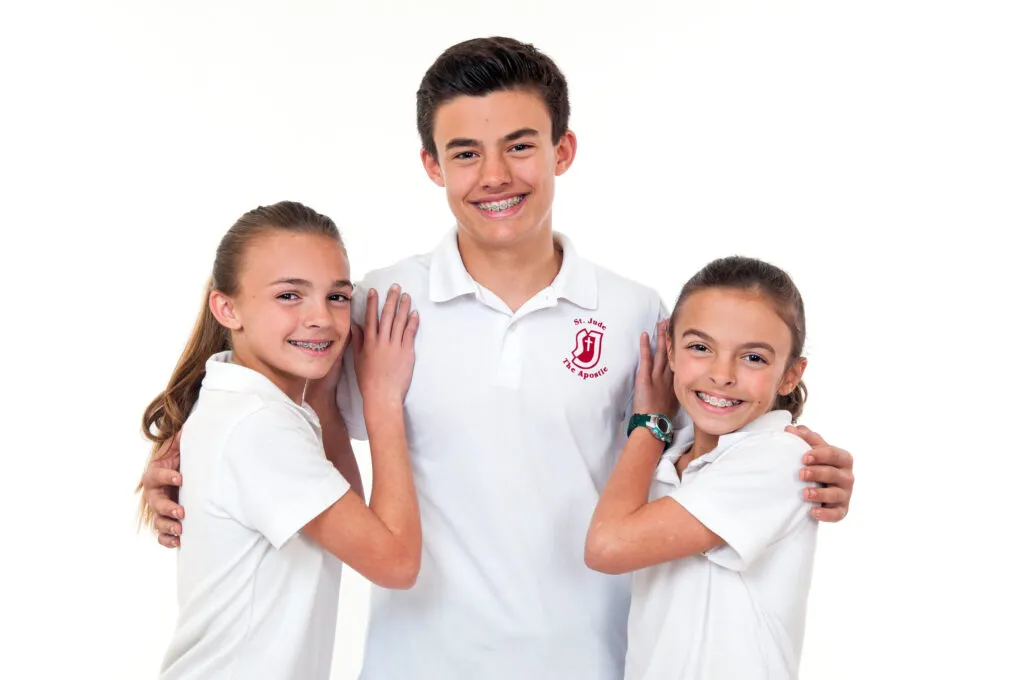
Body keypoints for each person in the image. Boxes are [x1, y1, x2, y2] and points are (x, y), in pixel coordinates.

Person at [141, 39, 855, 680]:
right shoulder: (376, 305)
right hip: (413, 662)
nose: (495, 175)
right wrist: (176, 458)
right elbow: (272, 398)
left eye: (519, 146)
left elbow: (709, 432)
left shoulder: (635, 312)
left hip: (595, 660)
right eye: (464, 153)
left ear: (562, 151)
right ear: (432, 165)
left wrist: (811, 465)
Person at [139, 201, 422, 679]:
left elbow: (351, 521)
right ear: (227, 309)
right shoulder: (258, 424)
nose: (321, 317)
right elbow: (395, 563)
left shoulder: (250, 405)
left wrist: (326, 397)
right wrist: (382, 401)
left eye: (337, 296)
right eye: (290, 295)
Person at [586, 256, 821, 679]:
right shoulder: (668, 457)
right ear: (670, 349)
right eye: (700, 347)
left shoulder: (779, 458)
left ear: (790, 375)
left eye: (753, 357)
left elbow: (608, 547)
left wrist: (650, 422)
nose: (721, 374)